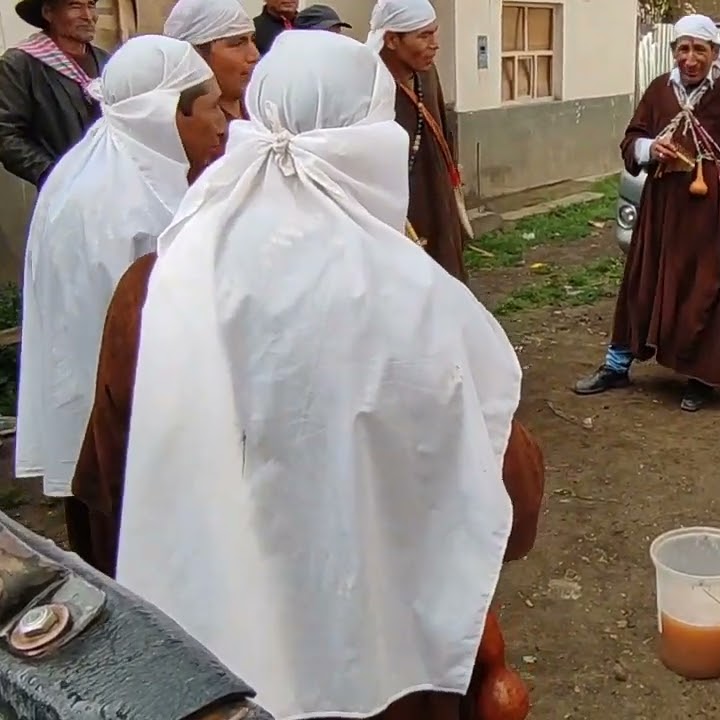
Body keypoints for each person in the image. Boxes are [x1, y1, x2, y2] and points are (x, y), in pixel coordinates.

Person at [112, 31, 543, 720]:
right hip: (385, 666)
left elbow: (116, 475)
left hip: (208, 656)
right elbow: (509, 500)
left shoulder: (163, 277)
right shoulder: (410, 297)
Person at [14, 35, 223, 510]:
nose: (221, 122)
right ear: (168, 114)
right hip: (125, 449)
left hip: (106, 435)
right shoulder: (125, 206)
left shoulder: (93, 171)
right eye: (210, 107)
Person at [572, 13, 720, 412]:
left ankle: (701, 377)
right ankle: (617, 364)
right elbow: (631, 141)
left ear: (715, 53)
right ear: (673, 52)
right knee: (641, 283)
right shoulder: (659, 91)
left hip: (707, 211)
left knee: (704, 289)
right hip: (661, 206)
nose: (691, 58)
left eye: (700, 49)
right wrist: (650, 149)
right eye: (683, 49)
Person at [367, 0, 471, 283]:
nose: (435, 44)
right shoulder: (370, 87)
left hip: (439, 197)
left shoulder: (427, 74)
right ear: (391, 40)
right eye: (423, 36)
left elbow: (445, 132)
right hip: (401, 211)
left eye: (434, 33)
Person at [0, 0, 111, 187]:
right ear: (48, 13)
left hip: (112, 185)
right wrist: (55, 176)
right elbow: (6, 135)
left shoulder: (107, 61)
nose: (88, 15)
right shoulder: (20, 65)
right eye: (75, 6)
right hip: (62, 192)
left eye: (91, 5)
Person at [164, 0, 260, 122]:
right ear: (197, 54)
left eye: (253, 40)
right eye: (238, 43)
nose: (254, 55)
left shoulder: (264, 112)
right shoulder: (191, 131)